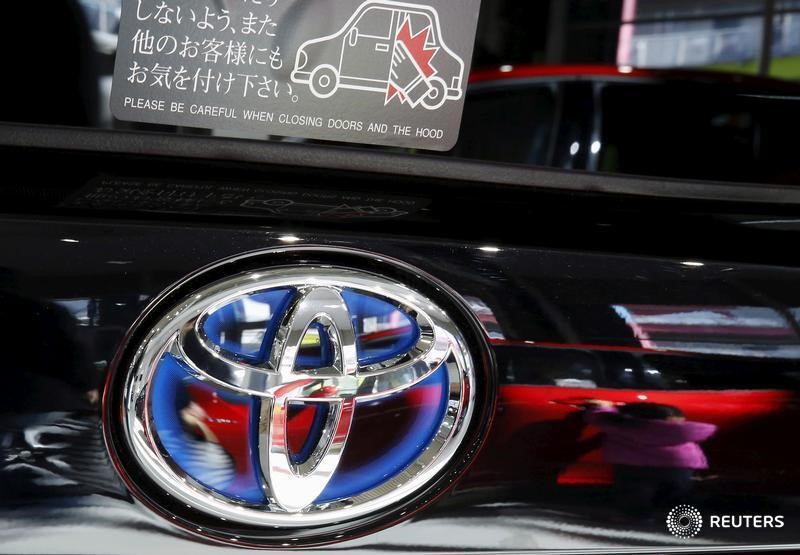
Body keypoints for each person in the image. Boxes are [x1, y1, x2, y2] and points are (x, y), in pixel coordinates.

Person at [584, 400, 717, 517]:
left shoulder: (623, 425)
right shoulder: (682, 431)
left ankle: (636, 516)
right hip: (679, 465)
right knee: (677, 492)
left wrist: (605, 406)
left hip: (632, 465)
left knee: (633, 492)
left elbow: (598, 417)